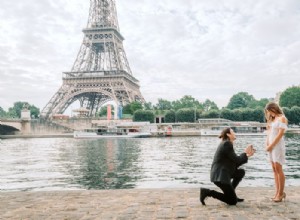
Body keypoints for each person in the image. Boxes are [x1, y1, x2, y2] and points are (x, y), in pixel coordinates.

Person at [200, 127, 255, 205]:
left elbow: (235, 163)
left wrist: (247, 155)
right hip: (220, 176)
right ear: (228, 134)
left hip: (224, 173)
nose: (235, 133)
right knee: (232, 201)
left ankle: (232, 194)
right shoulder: (227, 144)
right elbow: (237, 160)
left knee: (241, 172)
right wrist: (245, 153)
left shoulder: (227, 143)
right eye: (233, 132)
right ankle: (207, 192)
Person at [264, 102, 288, 202]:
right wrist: (267, 144)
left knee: (278, 168)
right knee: (274, 169)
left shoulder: (282, 118)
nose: (269, 113)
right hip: (271, 146)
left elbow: (280, 134)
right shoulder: (273, 119)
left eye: (270, 111)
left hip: (277, 146)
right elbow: (269, 133)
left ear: (274, 109)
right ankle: (277, 192)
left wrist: (271, 145)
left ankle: (281, 193)